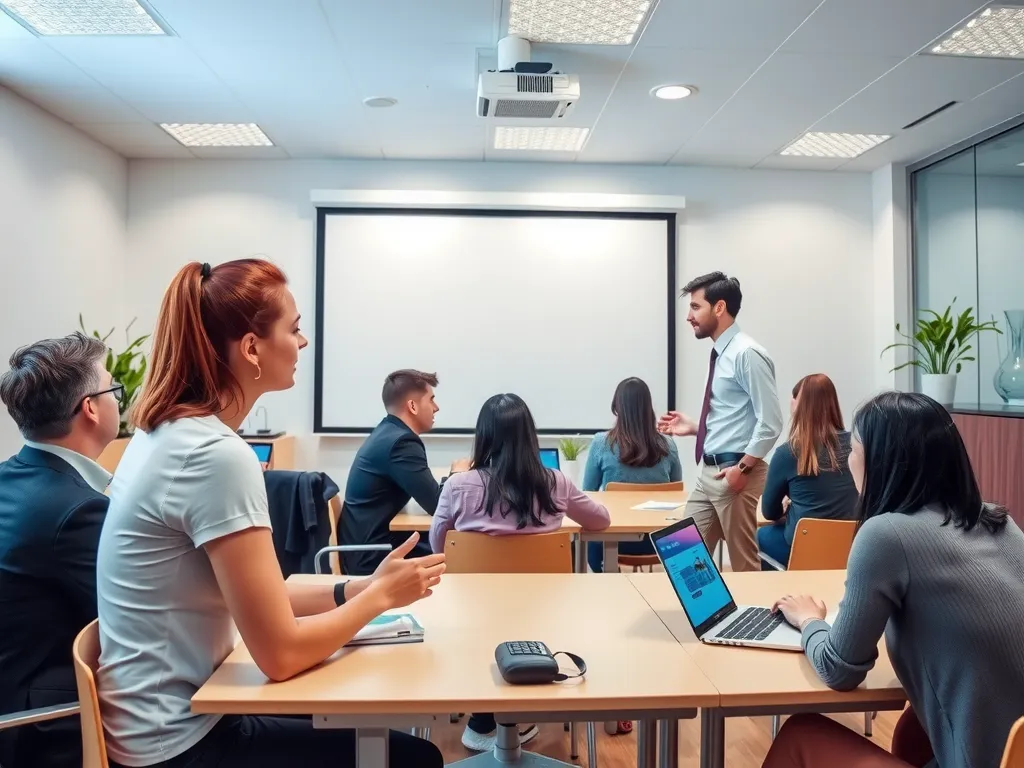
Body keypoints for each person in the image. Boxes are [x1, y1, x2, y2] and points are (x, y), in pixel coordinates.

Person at [95, 259, 444, 768]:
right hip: (178, 742)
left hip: (160, 719)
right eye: (295, 328)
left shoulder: (165, 435)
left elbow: (265, 596)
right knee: (414, 758)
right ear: (252, 348)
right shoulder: (215, 455)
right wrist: (381, 599)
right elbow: (279, 655)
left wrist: (361, 588)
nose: (303, 343)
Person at [767, 392, 1024, 768]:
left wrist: (809, 621)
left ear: (879, 462)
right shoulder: (1000, 521)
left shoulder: (885, 535)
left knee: (798, 734)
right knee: (911, 734)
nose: (846, 461)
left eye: (851, 449)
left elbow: (839, 669)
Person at [429, 393, 610, 752]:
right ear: (530, 436)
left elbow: (440, 545)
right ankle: (517, 712)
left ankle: (484, 716)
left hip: (472, 614)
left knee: (486, 618)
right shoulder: (555, 482)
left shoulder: (457, 485)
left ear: (483, 437)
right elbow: (600, 520)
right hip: (543, 614)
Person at [0, 333, 120, 768]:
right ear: (90, 407)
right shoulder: (77, 509)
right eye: (113, 388)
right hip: (45, 730)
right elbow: (133, 622)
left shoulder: (12, 479)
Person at [658, 272, 782, 572]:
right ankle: (706, 619)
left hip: (735, 474)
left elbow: (772, 422)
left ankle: (754, 618)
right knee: (684, 558)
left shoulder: (746, 354)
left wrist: (742, 469)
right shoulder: (721, 353)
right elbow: (737, 417)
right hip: (710, 474)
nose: (689, 316)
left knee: (743, 566)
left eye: (695, 307)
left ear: (719, 307)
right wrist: (697, 428)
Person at [340, 369, 470, 575]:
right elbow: (437, 505)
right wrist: (458, 474)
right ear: (412, 406)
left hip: (364, 546)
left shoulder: (388, 432)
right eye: (431, 400)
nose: (436, 408)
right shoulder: (402, 443)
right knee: (462, 549)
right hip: (373, 557)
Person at [757, 374, 858, 569]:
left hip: (804, 547)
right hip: (852, 547)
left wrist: (785, 509)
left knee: (764, 535)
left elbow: (769, 512)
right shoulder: (857, 446)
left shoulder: (787, 453)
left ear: (799, 405)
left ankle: (777, 596)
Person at [582, 377, 682, 573]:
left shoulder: (601, 443)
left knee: (588, 539)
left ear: (616, 407)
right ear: (648, 408)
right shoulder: (668, 444)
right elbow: (678, 493)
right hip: (660, 542)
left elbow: (588, 493)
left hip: (611, 542)